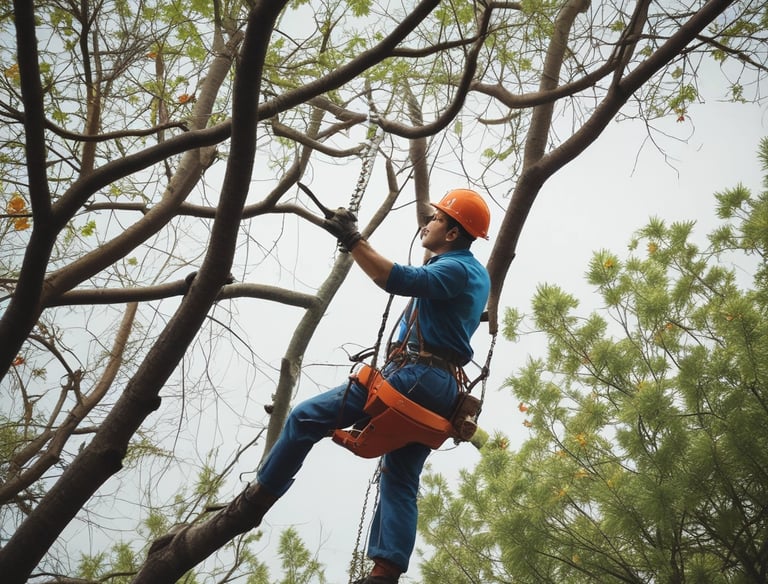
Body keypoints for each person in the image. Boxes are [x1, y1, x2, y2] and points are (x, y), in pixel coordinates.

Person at [227, 188, 491, 584]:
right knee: (400, 474)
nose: (427, 223)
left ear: (453, 233)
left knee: (305, 417)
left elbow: (394, 278)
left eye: (435, 219)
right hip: (442, 390)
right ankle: (385, 572)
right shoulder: (473, 273)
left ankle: (259, 496)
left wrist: (353, 240)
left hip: (417, 376)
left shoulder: (454, 269)